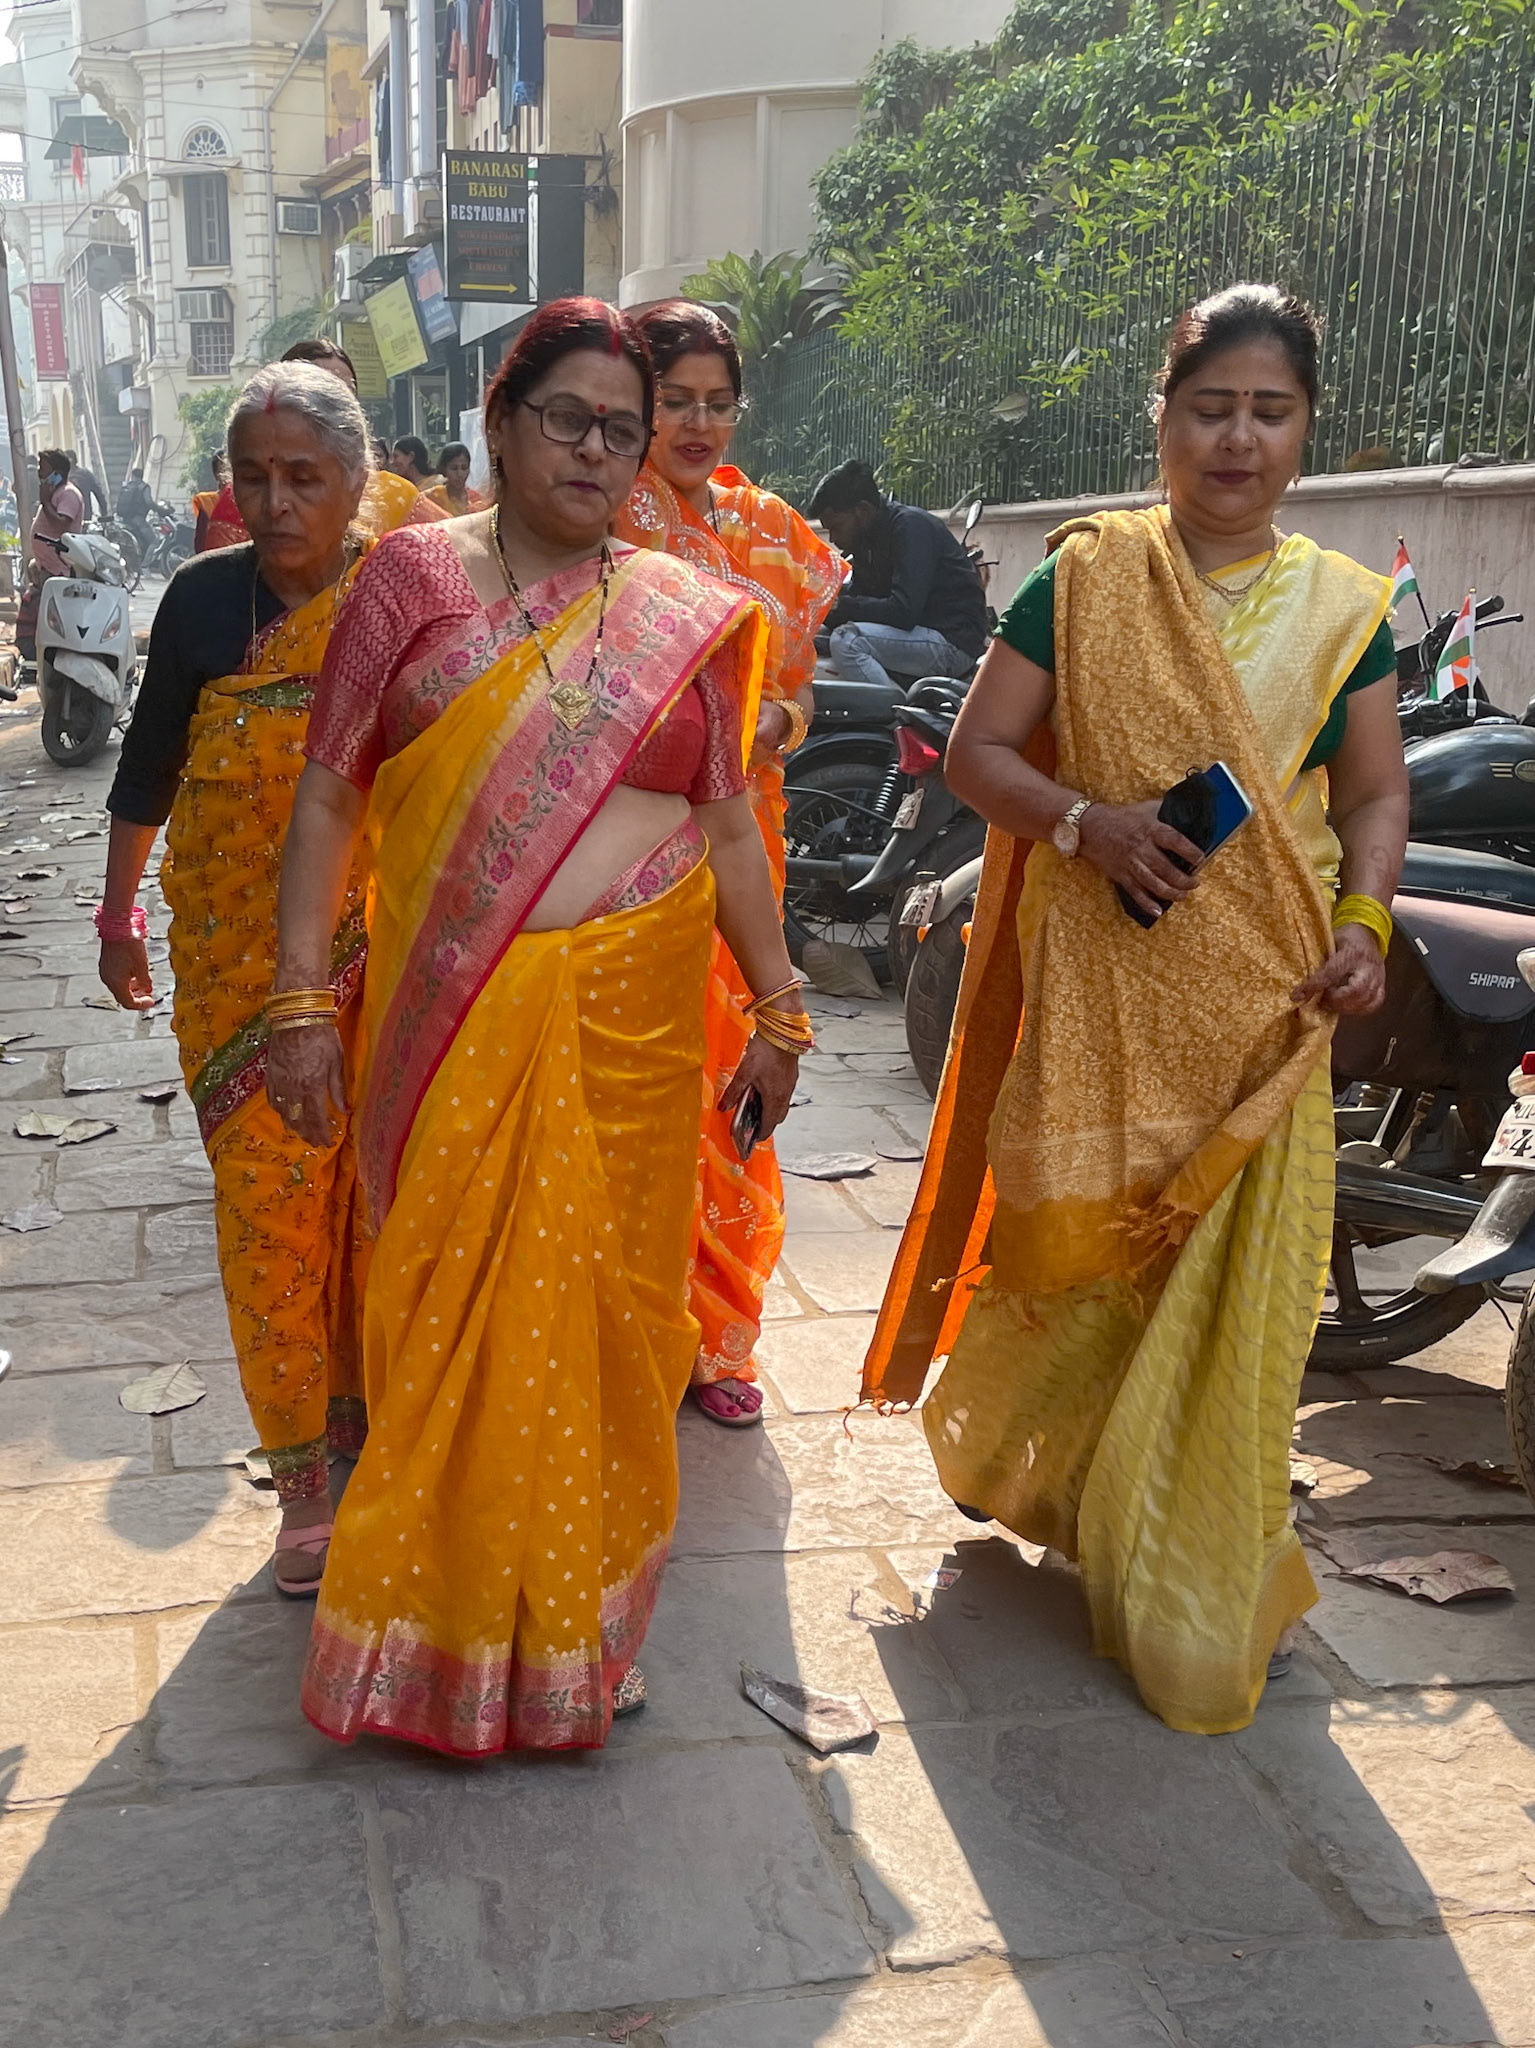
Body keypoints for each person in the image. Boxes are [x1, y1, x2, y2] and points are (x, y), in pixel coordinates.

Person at [862, 284, 1409, 1736]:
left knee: (1237, 1312)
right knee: (1079, 1255)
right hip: (1107, 987)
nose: (1237, 438)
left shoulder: (1345, 610)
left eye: (1268, 412)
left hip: (1268, 1006)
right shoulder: (1086, 579)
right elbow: (976, 753)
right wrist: (1083, 823)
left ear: (1304, 429)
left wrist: (1364, 920)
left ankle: (1195, 1568)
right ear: (1159, 419)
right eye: (1209, 407)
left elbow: (1370, 792)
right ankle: (1062, 1482)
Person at [268, 298, 812, 1754]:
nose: (593, 449)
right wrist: (297, 996)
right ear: (500, 425)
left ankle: (572, 1625)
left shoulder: (682, 610)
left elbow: (727, 825)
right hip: (454, 1013)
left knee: (612, 1319)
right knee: (447, 1312)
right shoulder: (409, 578)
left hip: (637, 1022)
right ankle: (431, 1628)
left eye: (620, 430)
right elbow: (328, 794)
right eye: (563, 417)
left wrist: (779, 1004)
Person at [97, 363, 380, 1597]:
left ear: (357, 482)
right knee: (269, 1215)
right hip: (236, 974)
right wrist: (118, 912)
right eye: (253, 477)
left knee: (376, 1205)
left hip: (388, 954)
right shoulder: (204, 603)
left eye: (303, 477)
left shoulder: (403, 592)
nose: (275, 503)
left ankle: (374, 1419)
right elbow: (151, 763)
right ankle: (304, 1487)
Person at [616, 301, 840, 1426]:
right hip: (631, 841)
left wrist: (777, 724)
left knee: (734, 1074)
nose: (697, 423)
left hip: (748, 836)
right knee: (641, 1082)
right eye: (675, 401)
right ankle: (629, 1324)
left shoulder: (772, 534)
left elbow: (801, 689)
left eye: (717, 402)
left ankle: (716, 1331)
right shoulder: (604, 528)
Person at [198, 344, 444, 547]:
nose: (275, 505)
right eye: (322, 391)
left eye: (346, 392)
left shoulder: (396, 496)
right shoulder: (244, 498)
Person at [808, 458, 987, 691]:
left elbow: (903, 611)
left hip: (952, 641)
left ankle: (890, 711)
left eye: (836, 527)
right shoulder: (865, 542)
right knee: (815, 640)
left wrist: (838, 605)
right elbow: (862, 601)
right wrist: (822, 605)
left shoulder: (910, 527)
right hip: (914, 636)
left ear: (862, 510)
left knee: (848, 641)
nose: (833, 539)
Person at [425, 440, 485, 515]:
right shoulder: (433, 498)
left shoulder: (476, 499)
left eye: (464, 468)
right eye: (454, 468)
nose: (460, 474)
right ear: (444, 469)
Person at [65, 448, 107, 523]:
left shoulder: (61, 476)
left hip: (67, 515)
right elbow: (99, 494)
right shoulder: (85, 474)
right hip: (84, 515)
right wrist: (104, 513)